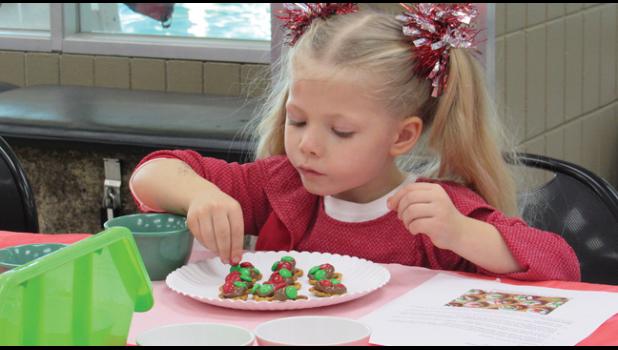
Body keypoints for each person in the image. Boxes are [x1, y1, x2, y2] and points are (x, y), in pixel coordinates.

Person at [129, 3, 580, 281]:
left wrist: (461, 233)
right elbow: (151, 173)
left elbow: (560, 265)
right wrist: (200, 194)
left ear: (402, 136)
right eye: (298, 120)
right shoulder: (281, 185)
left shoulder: (433, 210)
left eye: (340, 131)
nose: (308, 145)